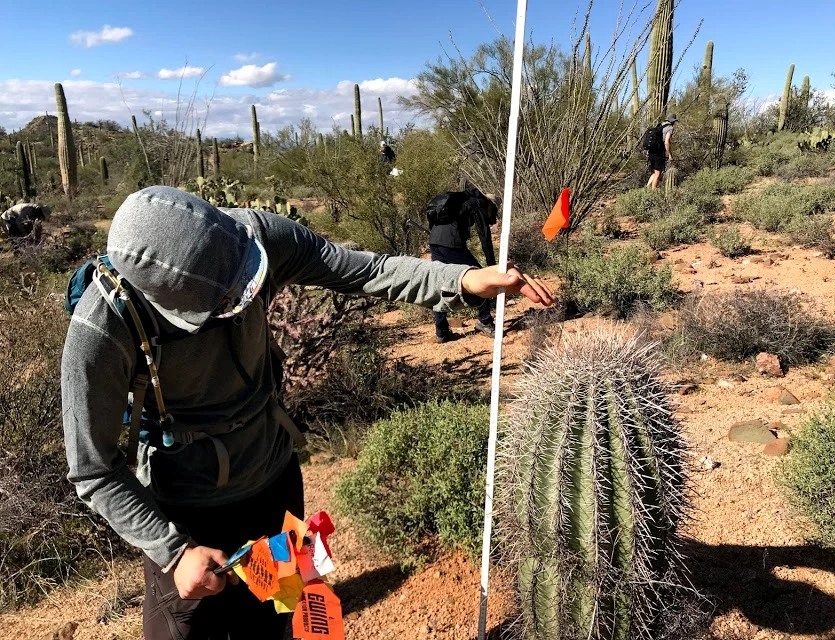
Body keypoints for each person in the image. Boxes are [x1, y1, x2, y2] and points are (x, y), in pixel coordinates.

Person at [61, 186, 553, 639]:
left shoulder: (252, 238)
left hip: (273, 485)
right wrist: (174, 552)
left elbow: (362, 269)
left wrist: (463, 279)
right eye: (230, 301)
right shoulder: (102, 327)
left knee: (282, 623)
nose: (250, 297)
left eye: (249, 280)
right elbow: (94, 469)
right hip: (181, 512)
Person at [428, 185, 499, 343]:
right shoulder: (478, 203)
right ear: (490, 204)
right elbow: (484, 236)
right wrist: (491, 267)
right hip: (452, 245)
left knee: (440, 283)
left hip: (435, 242)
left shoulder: (460, 201)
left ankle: (442, 331)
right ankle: (485, 321)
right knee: (480, 277)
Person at [646, 113, 677, 189]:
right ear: (673, 121)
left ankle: (647, 188)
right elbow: (666, 142)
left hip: (651, 151)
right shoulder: (670, 127)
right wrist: (670, 154)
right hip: (659, 152)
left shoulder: (660, 125)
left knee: (655, 172)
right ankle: (653, 192)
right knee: (658, 174)